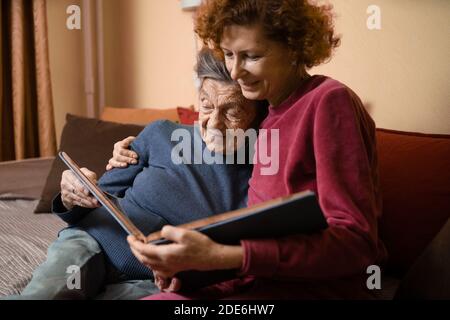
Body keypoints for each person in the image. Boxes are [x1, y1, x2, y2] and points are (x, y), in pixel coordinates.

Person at [124, 0, 387, 299]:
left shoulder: (328, 101)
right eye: (229, 54)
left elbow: (357, 244)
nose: (235, 72)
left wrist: (222, 257)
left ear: (294, 48)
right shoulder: (265, 116)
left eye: (251, 56)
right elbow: (259, 257)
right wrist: (190, 274)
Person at [7, 48, 266, 299]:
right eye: (207, 105)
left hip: (159, 280)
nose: (214, 123)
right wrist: (73, 195)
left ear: (258, 116)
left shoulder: (264, 174)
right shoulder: (161, 133)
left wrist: (187, 275)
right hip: (97, 241)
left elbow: (241, 256)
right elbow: (100, 196)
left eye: (232, 112)